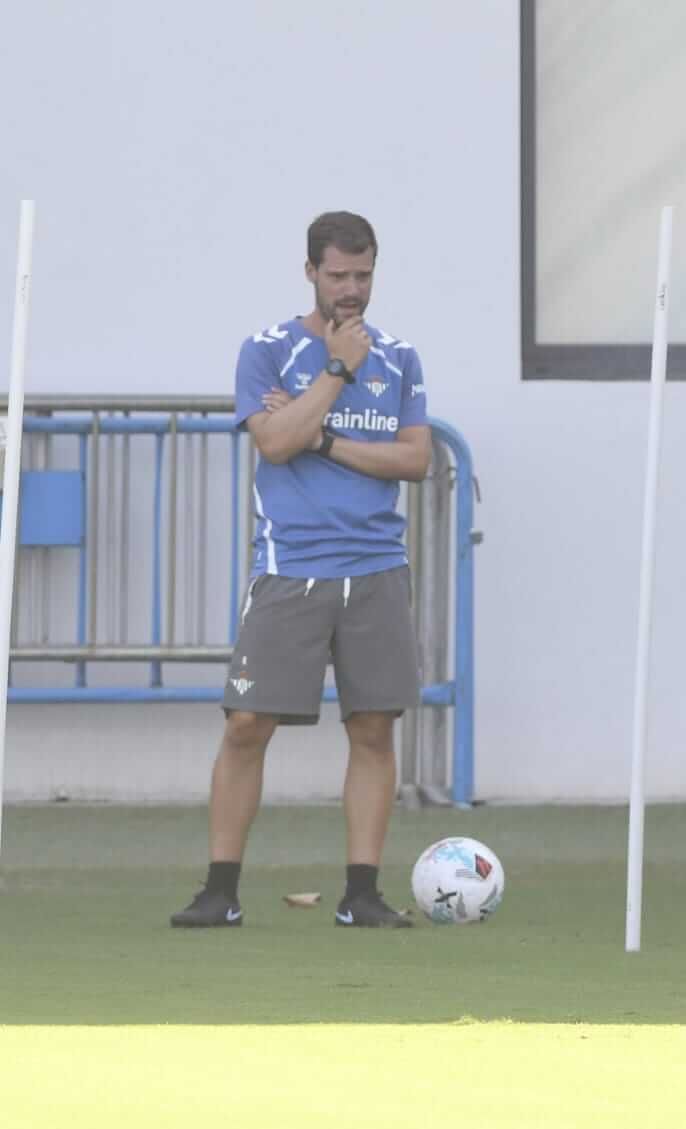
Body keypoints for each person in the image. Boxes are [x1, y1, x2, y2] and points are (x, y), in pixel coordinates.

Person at [171, 211, 430, 929]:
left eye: (364, 274)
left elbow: (414, 459)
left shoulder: (402, 356)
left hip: (377, 568)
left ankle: (362, 893)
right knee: (248, 721)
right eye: (339, 274)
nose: (352, 289)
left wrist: (323, 436)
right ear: (310, 271)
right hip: (291, 568)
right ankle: (220, 890)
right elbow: (274, 443)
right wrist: (337, 370)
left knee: (374, 727)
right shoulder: (267, 349)